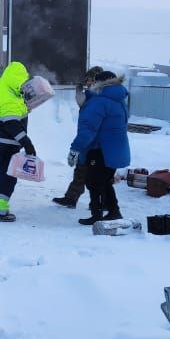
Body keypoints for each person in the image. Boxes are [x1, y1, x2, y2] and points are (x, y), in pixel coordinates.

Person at [0, 61, 52, 222]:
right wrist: (27, 144)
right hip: (6, 143)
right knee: (8, 177)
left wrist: (25, 105)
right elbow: (11, 123)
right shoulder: (11, 98)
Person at [67, 69, 130, 226]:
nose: (92, 84)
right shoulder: (118, 99)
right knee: (105, 181)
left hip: (100, 149)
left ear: (100, 83)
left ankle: (97, 214)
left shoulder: (100, 102)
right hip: (115, 149)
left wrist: (75, 149)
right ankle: (114, 211)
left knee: (93, 182)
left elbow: (88, 130)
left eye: (94, 82)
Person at [52, 65, 105, 208]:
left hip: (95, 143)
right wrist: (79, 92)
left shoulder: (99, 97)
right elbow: (83, 104)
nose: (86, 82)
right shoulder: (93, 95)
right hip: (88, 142)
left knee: (96, 175)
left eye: (89, 80)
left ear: (96, 80)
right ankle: (71, 198)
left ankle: (103, 203)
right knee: (81, 171)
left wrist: (76, 147)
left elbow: (90, 126)